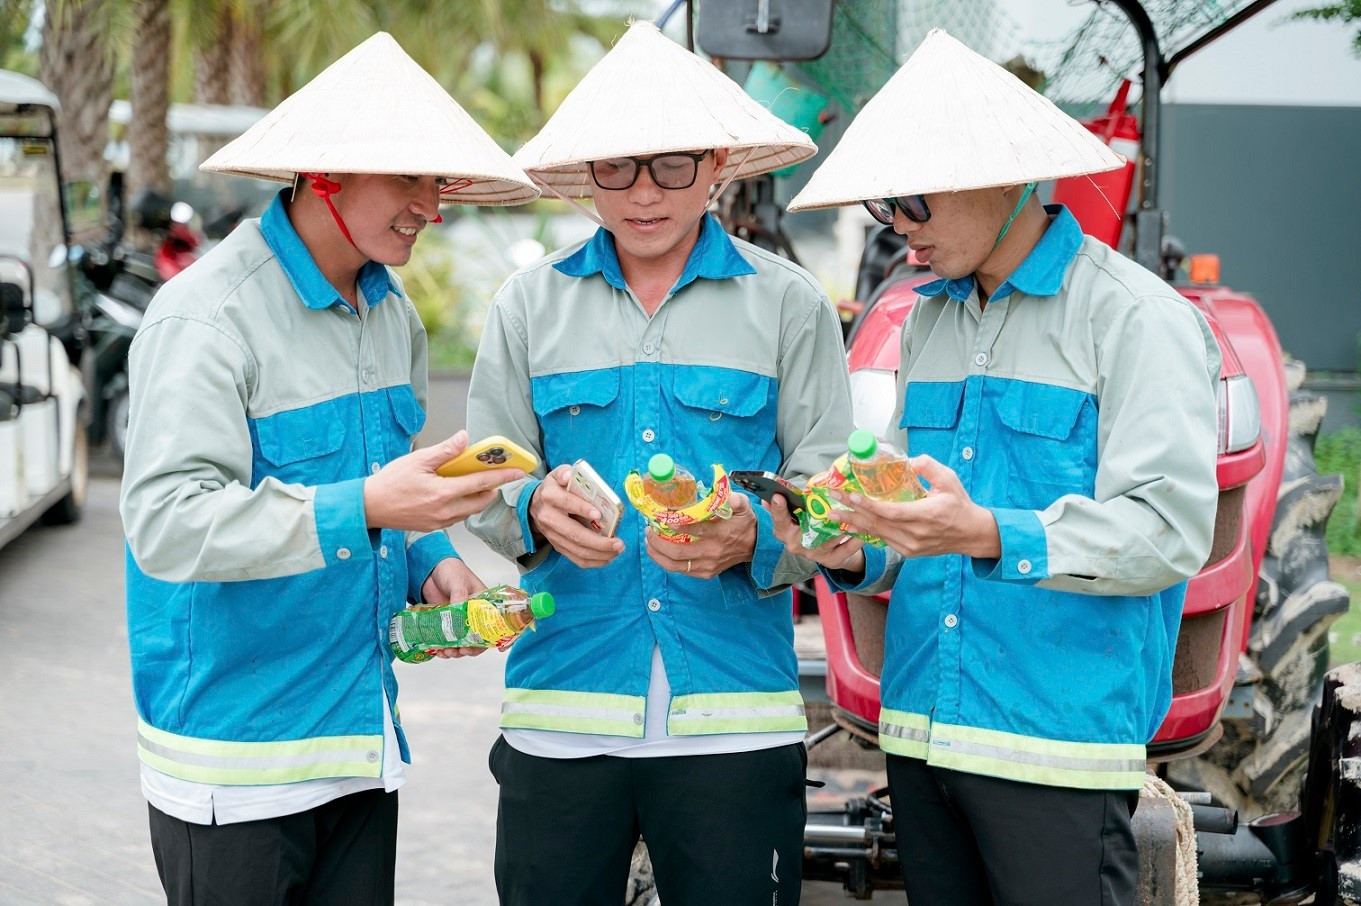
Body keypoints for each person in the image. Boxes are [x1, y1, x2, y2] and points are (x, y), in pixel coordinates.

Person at [775, 28, 1221, 906]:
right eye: (882, 209)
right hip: (920, 734)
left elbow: (1167, 533)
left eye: (911, 203)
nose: (897, 230)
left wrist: (986, 530)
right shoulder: (924, 319)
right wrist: (844, 544)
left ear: (1006, 177)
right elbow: (911, 522)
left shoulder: (1136, 320)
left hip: (1051, 743)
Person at [119, 33, 537, 905]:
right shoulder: (206, 318)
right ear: (323, 176)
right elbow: (165, 525)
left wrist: (438, 563)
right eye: (408, 179)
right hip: (235, 762)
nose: (430, 205)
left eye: (439, 182)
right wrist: (366, 506)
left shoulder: (392, 317)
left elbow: (387, 488)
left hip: (359, 744)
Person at [464, 21, 853, 906]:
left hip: (735, 719)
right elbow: (482, 479)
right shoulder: (527, 305)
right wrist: (529, 508)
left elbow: (833, 495)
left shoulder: (788, 304)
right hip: (561, 711)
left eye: (673, 166)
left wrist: (753, 537)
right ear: (586, 175)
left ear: (716, 165)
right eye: (618, 168)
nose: (645, 194)